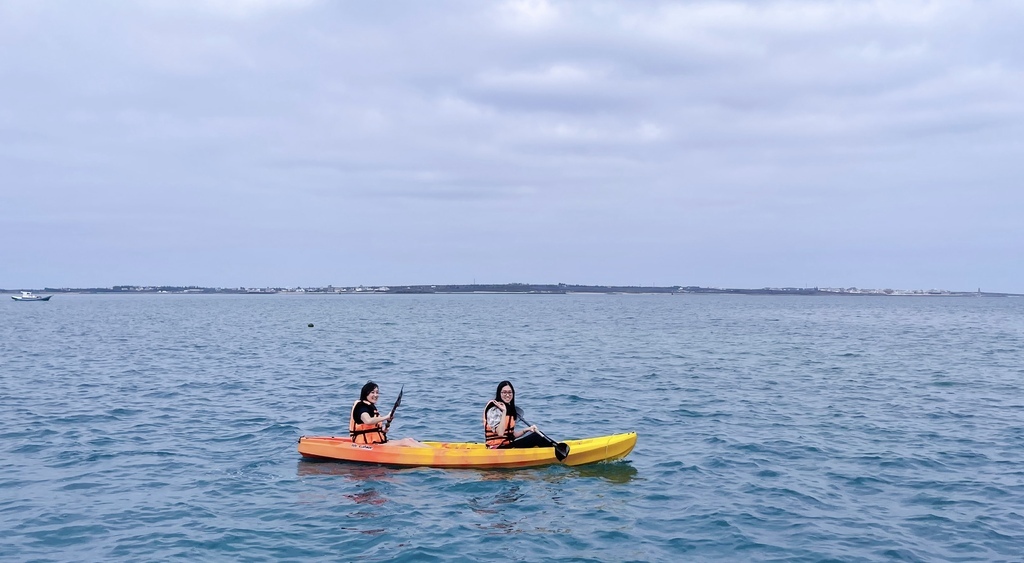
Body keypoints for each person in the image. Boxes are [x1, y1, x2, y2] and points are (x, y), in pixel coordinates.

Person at [350, 381, 428, 447]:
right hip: (366, 444)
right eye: (372, 392)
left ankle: (434, 451)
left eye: (377, 392)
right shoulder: (361, 407)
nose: (376, 395)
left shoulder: (369, 406)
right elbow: (368, 421)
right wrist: (386, 417)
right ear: (365, 394)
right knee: (405, 442)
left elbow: (369, 426)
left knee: (409, 440)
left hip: (376, 442)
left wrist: (382, 430)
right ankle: (433, 454)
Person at [483, 380, 550, 448]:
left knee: (539, 434)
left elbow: (511, 436)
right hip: (496, 449)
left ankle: (555, 447)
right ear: (499, 393)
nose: (507, 395)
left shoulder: (509, 408)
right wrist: (504, 412)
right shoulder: (493, 409)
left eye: (510, 392)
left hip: (508, 446)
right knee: (536, 437)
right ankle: (555, 452)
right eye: (504, 392)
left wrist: (526, 430)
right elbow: (500, 433)